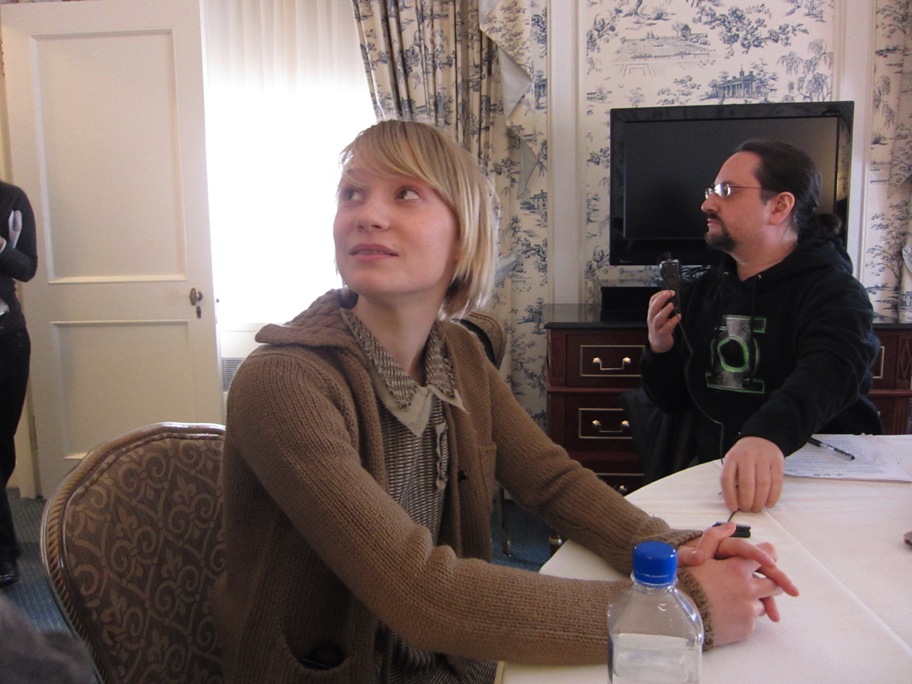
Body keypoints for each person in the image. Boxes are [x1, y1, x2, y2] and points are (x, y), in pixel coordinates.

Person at [213, 120, 798, 683]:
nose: (366, 214)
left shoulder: (458, 356)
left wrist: (679, 550)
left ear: (464, 235)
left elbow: (551, 482)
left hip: (450, 662)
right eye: (352, 194)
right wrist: (676, 612)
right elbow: (418, 594)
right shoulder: (284, 382)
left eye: (406, 193)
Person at [642, 139, 882, 514]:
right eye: (711, 191)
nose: (707, 203)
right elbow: (672, 402)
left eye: (727, 191)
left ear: (780, 206)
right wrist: (661, 350)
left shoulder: (835, 292)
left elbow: (830, 370)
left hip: (818, 484)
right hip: (720, 478)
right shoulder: (703, 291)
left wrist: (766, 435)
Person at [0, 180, 37, 589]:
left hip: (5, 339)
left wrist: (1, 248)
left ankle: (5, 551)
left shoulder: (10, 199)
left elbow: (28, 267)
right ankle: (5, 551)